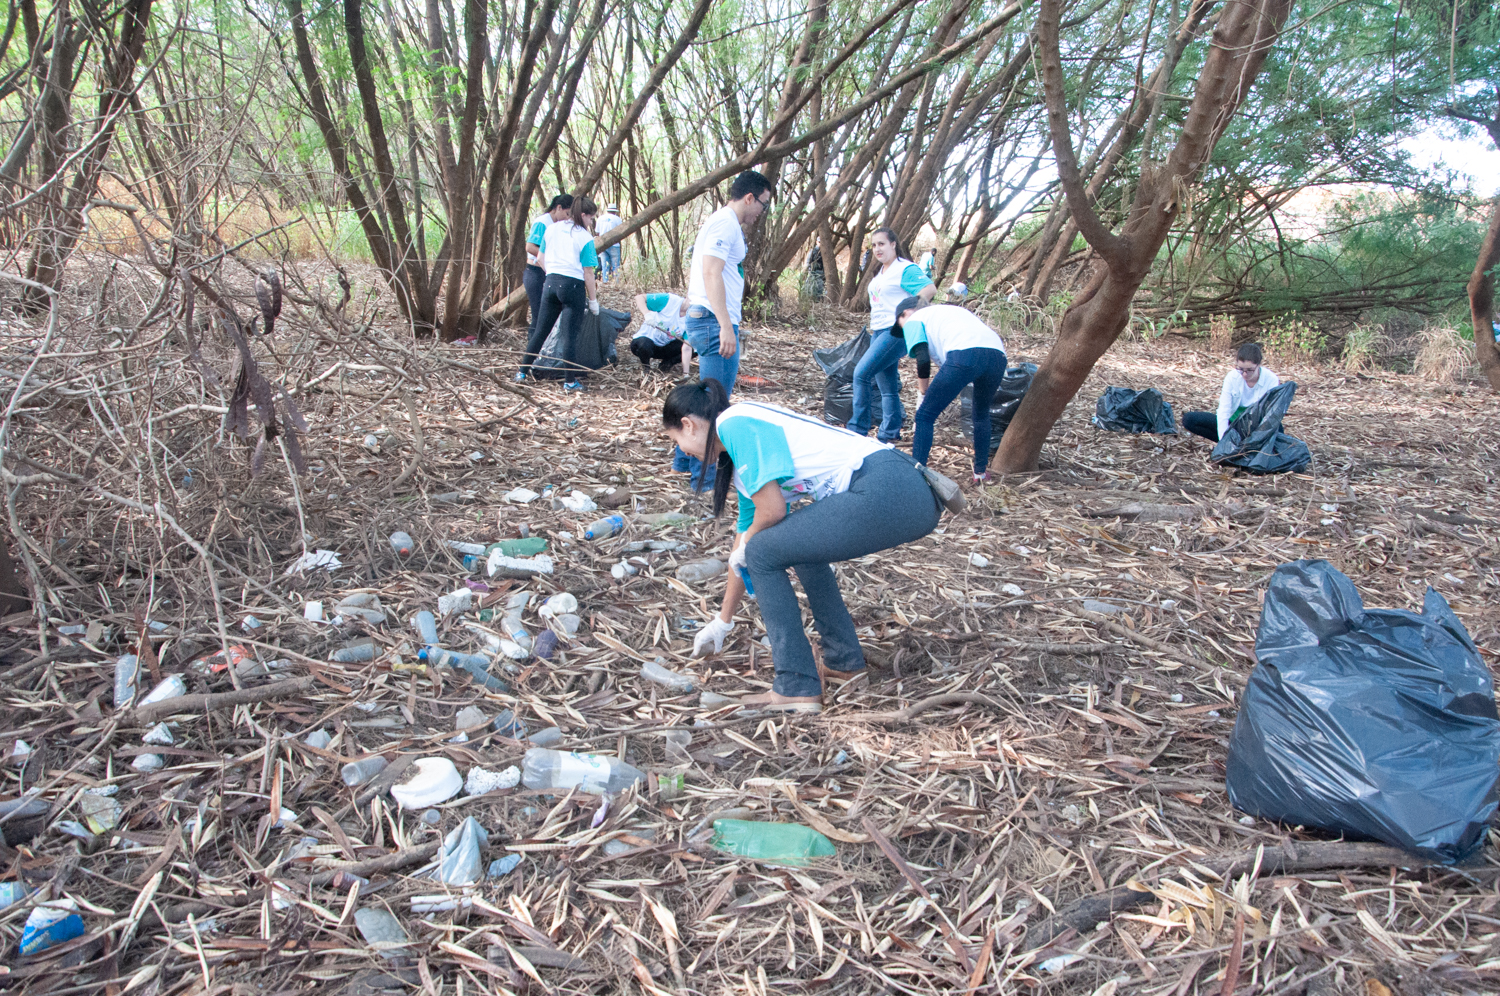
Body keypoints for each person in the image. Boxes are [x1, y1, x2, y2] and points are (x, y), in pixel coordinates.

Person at [662, 379, 940, 711]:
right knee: (792, 544)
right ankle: (843, 663)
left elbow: (771, 515)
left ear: (688, 425)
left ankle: (795, 685)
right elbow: (749, 532)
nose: (682, 450)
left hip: (891, 486)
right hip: (901, 490)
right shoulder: (739, 452)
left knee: (763, 550)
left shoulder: (735, 423)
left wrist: (749, 546)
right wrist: (723, 620)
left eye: (675, 440)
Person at [675, 169, 774, 488]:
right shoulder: (725, 223)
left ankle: (683, 460)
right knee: (715, 405)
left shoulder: (722, 222)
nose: (762, 211)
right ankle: (702, 481)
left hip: (709, 316)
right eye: (764, 204)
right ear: (749, 197)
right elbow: (711, 272)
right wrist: (724, 326)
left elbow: (707, 270)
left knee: (705, 397)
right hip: (714, 321)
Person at [891, 297, 1008, 484]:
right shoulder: (951, 311)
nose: (904, 331)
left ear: (906, 313)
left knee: (924, 415)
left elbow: (922, 360)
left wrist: (923, 392)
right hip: (997, 355)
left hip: (963, 353)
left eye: (900, 325)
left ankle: (916, 475)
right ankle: (980, 473)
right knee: (981, 414)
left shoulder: (914, 319)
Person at [848, 228, 936, 443]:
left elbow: (929, 288)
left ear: (893, 244)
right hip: (878, 330)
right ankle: (889, 434)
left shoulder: (905, 269)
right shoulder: (882, 272)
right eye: (874, 245)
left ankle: (856, 431)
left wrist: (912, 314)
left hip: (894, 331)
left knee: (861, 374)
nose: (878, 249)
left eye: (882, 244)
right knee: (887, 388)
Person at [523, 196, 600, 391]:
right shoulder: (584, 236)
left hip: (550, 283)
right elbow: (588, 273)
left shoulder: (552, 229)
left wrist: (551, 274)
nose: (591, 222)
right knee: (569, 336)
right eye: (591, 218)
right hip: (572, 286)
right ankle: (570, 381)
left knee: (540, 331)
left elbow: (539, 257)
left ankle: (521, 371)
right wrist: (593, 300)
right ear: (582, 215)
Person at [1183, 343, 1280, 442]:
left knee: (1278, 431)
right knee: (1190, 419)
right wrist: (1223, 441)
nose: (1245, 374)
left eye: (1250, 370)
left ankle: (1252, 447)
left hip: (1257, 427)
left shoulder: (1271, 380)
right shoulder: (1232, 377)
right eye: (1241, 369)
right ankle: (1233, 445)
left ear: (1259, 365)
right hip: (1233, 425)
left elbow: (1270, 413)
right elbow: (1223, 411)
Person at [520, 194, 572, 379]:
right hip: (536, 272)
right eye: (566, 213)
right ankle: (530, 360)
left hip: (551, 273)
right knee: (538, 316)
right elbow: (530, 247)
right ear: (557, 208)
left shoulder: (559, 226)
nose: (567, 218)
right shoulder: (543, 222)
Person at [630, 291, 692, 373]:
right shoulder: (669, 300)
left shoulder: (692, 318)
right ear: (688, 296)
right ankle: (646, 368)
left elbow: (687, 348)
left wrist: (686, 374)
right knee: (644, 344)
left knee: (697, 346)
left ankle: (667, 364)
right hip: (646, 340)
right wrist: (647, 314)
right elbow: (639, 298)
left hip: (664, 346)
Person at [596, 204, 624, 283]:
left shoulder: (600, 218)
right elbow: (621, 233)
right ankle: (616, 282)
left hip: (602, 245)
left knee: (605, 265)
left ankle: (605, 282)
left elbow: (597, 233)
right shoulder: (618, 219)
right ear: (615, 212)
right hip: (614, 245)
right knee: (616, 266)